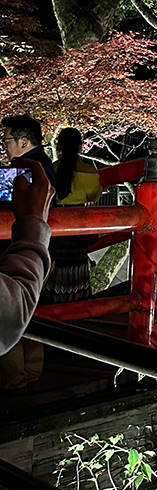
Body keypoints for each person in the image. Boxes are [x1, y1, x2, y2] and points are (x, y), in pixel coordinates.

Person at [0, 160, 55, 392]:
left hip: (21, 256)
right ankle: (30, 376)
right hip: (39, 254)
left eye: (7, 139)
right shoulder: (43, 170)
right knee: (36, 312)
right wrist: (33, 228)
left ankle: (17, 379)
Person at [43, 128, 102, 308]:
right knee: (77, 269)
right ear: (80, 147)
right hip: (78, 227)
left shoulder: (50, 170)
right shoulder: (89, 172)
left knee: (53, 267)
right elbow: (95, 196)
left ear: (59, 146)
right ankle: (77, 309)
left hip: (53, 228)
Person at [1, 115, 56, 186]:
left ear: (24, 142)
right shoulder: (40, 165)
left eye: (7, 142)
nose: (5, 147)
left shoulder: (29, 169)